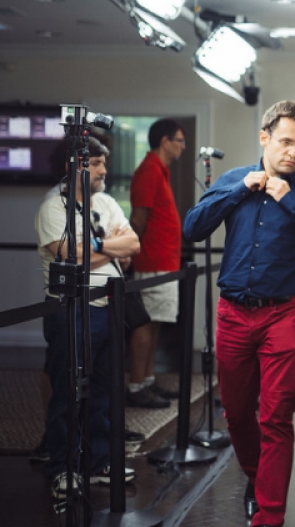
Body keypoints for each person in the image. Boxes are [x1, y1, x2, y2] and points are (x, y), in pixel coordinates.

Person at [183, 100, 295, 527]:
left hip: (284, 315)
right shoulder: (232, 181)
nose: (293, 152)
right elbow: (193, 228)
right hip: (233, 314)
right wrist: (240, 191)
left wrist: (291, 201)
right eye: (286, 142)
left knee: (276, 416)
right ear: (264, 137)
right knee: (237, 413)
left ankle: (270, 516)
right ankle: (258, 480)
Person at [35, 136, 139, 499]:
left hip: (110, 308)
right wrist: (109, 249)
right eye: (96, 164)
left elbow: (133, 245)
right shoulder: (53, 208)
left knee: (105, 391)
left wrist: (93, 248)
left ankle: (99, 463)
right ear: (74, 165)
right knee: (68, 392)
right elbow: (69, 256)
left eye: (103, 163)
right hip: (71, 310)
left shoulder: (107, 202)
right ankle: (62, 469)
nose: (104, 171)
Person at [127, 118, 185, 408]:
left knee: (155, 325)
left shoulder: (159, 170)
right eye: (179, 141)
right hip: (152, 262)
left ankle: (148, 381)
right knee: (145, 325)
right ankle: (136, 386)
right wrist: (126, 254)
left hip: (164, 262)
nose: (183, 147)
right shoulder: (149, 170)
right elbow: (138, 219)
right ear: (165, 141)